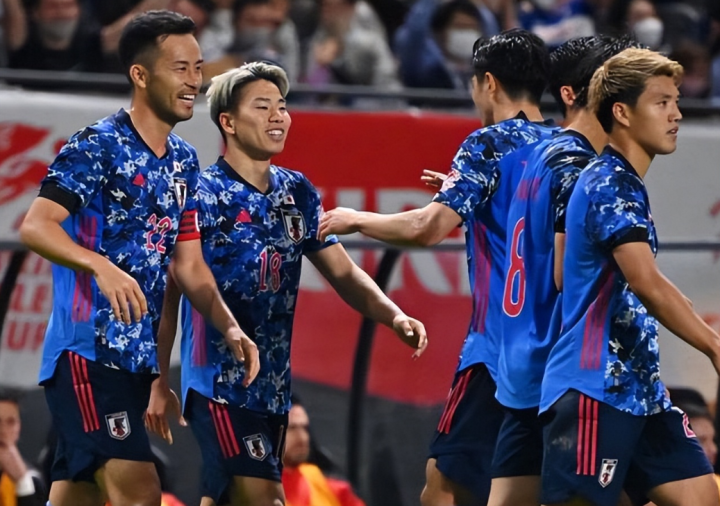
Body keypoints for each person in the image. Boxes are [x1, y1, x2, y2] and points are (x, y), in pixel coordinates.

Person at [154, 61, 427, 506]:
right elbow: (172, 291)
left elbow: (343, 273)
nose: (278, 116)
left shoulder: (296, 191)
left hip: (274, 389)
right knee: (267, 497)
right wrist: (159, 375)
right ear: (228, 122)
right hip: (218, 383)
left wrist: (393, 315)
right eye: (262, 107)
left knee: (225, 498)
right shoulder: (203, 194)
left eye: (282, 106)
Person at [18, 10, 258, 506]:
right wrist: (100, 265)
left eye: (198, 67)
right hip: (86, 355)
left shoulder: (184, 161)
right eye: (180, 68)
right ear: (141, 75)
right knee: (142, 491)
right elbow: (36, 225)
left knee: (78, 496)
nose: (194, 81)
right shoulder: (97, 145)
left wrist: (228, 325)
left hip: (134, 363)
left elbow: (188, 266)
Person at [319, 29, 557, 506]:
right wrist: (464, 191)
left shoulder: (487, 144)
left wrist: (355, 218)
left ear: (488, 83)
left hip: (497, 351)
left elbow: (427, 227)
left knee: (443, 485)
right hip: (557, 349)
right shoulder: (564, 147)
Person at [540, 47, 720, 506]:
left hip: (641, 393)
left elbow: (651, 284)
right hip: (594, 389)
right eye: (662, 102)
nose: (676, 114)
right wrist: (713, 346)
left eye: (676, 101)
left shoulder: (627, 183)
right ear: (621, 112)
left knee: (702, 496)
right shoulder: (608, 182)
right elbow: (646, 283)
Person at [487, 35, 640, 506]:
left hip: (522, 363)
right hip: (568, 369)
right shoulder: (582, 168)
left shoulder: (537, 154)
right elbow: (566, 276)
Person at [282, 399, 365, 506]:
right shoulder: (262, 488)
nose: (302, 438)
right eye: (291, 428)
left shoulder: (326, 484)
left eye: (305, 428)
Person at [1, 0, 105, 72]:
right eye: (52, 7)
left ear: (79, 11)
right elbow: (15, 17)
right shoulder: (21, 42)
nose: (61, 13)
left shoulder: (91, 41)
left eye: (68, 6)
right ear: (36, 13)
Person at [0, 390, 46, 506]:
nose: (3, 430)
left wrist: (23, 483)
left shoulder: (33, 479)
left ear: (19, 426)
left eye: (11, 422)